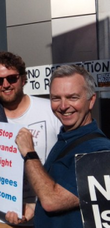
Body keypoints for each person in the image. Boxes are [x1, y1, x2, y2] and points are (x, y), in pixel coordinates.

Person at [9, 65, 110, 228]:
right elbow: (67, 198)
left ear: (91, 101)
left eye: (73, 97)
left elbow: (53, 201)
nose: (63, 106)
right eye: (56, 98)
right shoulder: (66, 138)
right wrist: (35, 208)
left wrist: (29, 152)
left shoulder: (98, 151)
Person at [0, 51, 61, 227]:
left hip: (44, 214)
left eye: (11, 78)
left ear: (23, 79)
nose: (5, 84)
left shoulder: (50, 110)